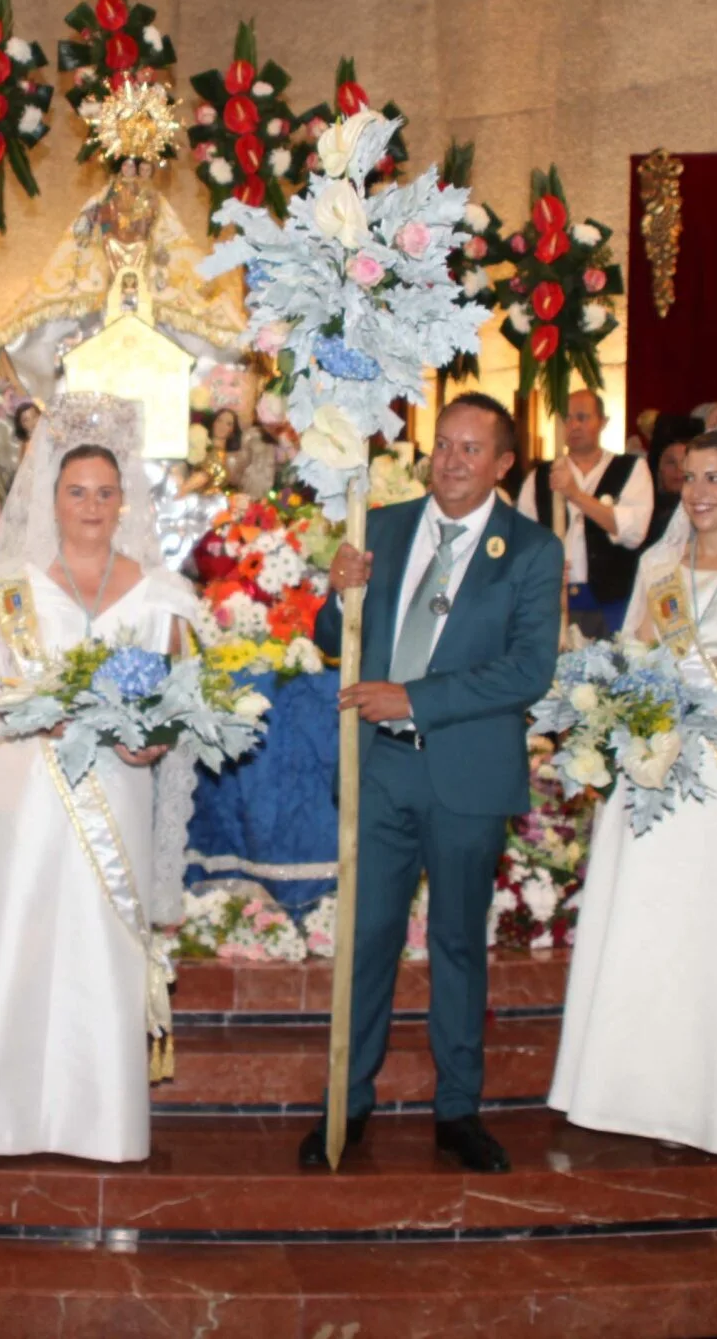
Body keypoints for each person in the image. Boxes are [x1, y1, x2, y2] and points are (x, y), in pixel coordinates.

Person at [0, 394, 203, 1163]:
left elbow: (183, 694)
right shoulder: (10, 587)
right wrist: (34, 714)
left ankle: (96, 1118)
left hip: (116, 785)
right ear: (52, 499)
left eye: (105, 492)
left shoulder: (159, 592)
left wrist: (154, 737)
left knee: (98, 944)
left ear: (126, 501)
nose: (91, 504)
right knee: (17, 937)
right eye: (76, 491)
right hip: (28, 788)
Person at [298, 391, 564, 1173]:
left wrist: (414, 697)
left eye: (471, 449)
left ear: (504, 463)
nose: (450, 460)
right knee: (366, 940)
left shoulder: (530, 550)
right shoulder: (378, 526)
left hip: (467, 773)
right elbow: (331, 637)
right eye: (443, 444)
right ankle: (345, 1102)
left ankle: (458, 1111)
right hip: (382, 768)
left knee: (456, 941)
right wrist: (335, 590)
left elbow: (528, 670)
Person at [551, 431, 717, 1159]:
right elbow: (636, 651)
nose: (701, 491)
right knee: (651, 918)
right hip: (662, 756)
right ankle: (633, 1090)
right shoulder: (660, 565)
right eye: (691, 477)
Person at [515, 387, 652, 635]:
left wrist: (575, 494)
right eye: (566, 419)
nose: (574, 425)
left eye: (582, 417)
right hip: (555, 599)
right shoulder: (540, 476)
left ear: (603, 421)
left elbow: (634, 532)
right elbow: (523, 538)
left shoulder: (631, 468)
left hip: (613, 601)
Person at [638, 412, 705, 555]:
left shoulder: (708, 515)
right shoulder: (642, 516)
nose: (679, 469)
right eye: (670, 462)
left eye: (686, 462)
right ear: (658, 470)